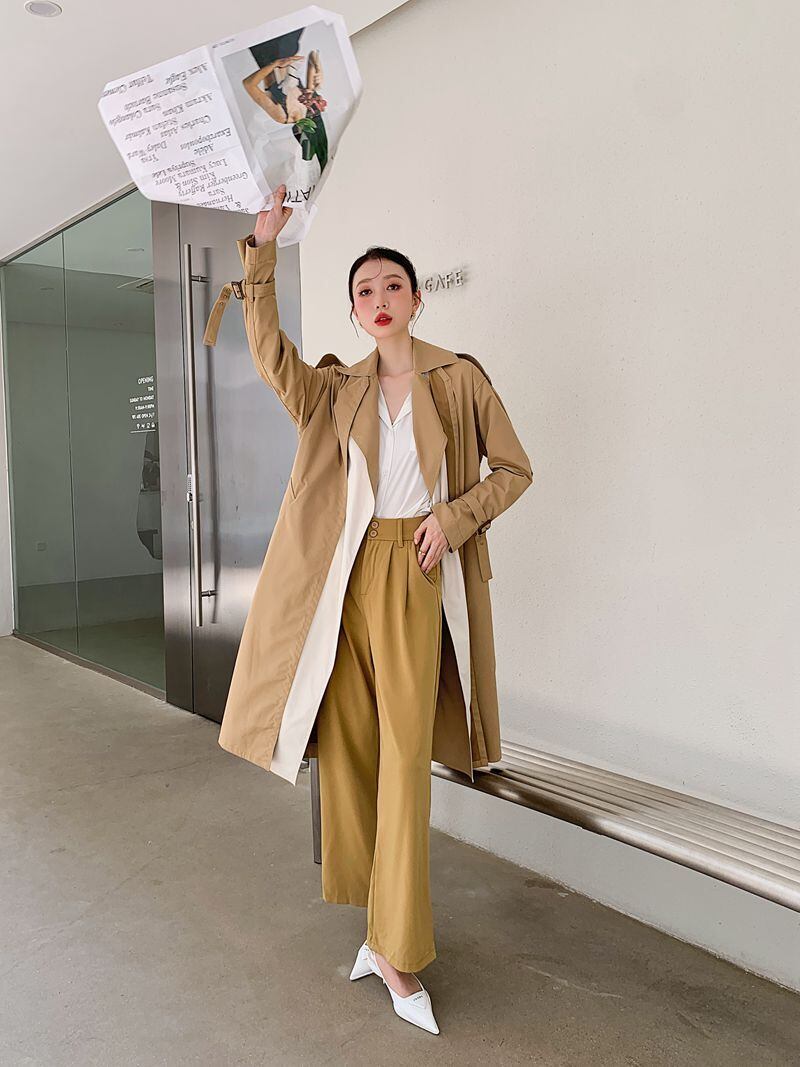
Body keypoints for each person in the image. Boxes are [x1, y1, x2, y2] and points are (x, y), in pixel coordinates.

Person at [204, 184, 533, 1035]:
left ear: (416, 299)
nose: (379, 298)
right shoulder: (333, 390)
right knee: (350, 755)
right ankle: (376, 926)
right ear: (353, 312)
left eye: (392, 285)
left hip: (412, 574)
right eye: (364, 290)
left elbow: (513, 469)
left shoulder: (458, 378)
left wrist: (452, 518)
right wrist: (261, 250)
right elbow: (270, 353)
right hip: (341, 585)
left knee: (404, 763)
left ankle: (398, 950)